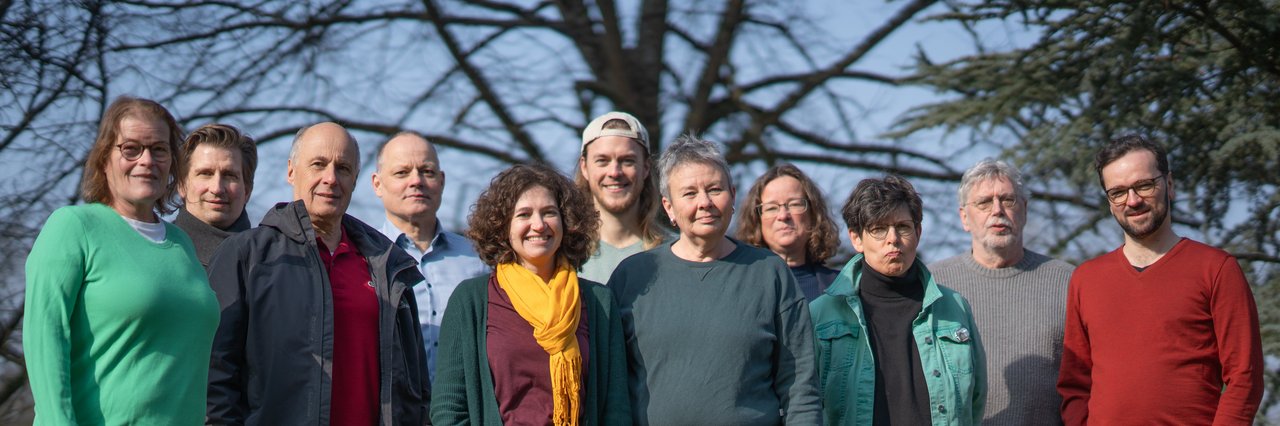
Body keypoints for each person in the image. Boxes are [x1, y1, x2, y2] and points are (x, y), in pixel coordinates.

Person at [206, 122, 429, 425]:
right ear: (291, 171)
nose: (331, 178)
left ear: (355, 180)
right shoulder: (247, 255)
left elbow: (416, 388)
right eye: (318, 165)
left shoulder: (390, 265)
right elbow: (214, 374)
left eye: (343, 168)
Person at [24, 96, 219, 424]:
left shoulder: (182, 245)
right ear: (104, 158)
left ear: (173, 162)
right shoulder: (74, 228)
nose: (147, 160)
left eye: (159, 149)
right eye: (131, 149)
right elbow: (44, 337)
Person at [608, 134, 821, 425]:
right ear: (669, 207)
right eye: (690, 193)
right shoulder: (632, 277)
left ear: (733, 196)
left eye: (714, 189)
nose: (705, 202)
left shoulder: (769, 272)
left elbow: (800, 388)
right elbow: (610, 390)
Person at [1057, 135, 1263, 425]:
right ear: (1108, 200)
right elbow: (1074, 384)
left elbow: (1245, 377)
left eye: (1144, 185)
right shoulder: (1086, 279)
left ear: (1170, 184)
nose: (1132, 201)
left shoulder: (1215, 269)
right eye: (1117, 192)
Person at [431, 164, 629, 425]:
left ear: (566, 222)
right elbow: (448, 409)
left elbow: (616, 410)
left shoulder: (598, 301)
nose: (538, 225)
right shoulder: (471, 300)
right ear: (503, 226)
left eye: (549, 213)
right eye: (524, 214)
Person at [810, 175, 986, 425]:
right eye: (879, 229)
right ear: (856, 238)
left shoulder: (954, 308)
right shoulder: (821, 315)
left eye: (902, 226)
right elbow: (806, 406)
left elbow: (975, 401)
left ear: (918, 232)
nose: (893, 238)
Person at [929, 158, 1074, 425]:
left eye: (1008, 200)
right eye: (984, 203)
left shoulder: (1067, 281)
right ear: (964, 217)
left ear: (1025, 210)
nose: (997, 210)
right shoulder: (933, 286)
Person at [371, 131, 488, 383]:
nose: (416, 181)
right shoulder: (364, 259)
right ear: (377, 184)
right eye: (402, 172)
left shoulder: (479, 260)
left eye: (427, 171)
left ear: (442, 181)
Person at [574, 111, 666, 283]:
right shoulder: (565, 254)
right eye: (602, 160)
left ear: (646, 167)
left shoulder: (676, 251)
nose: (614, 172)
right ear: (584, 167)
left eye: (627, 161)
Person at [735, 164, 840, 301]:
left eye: (794, 204)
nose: (783, 216)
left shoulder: (842, 287)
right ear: (757, 219)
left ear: (813, 214)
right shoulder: (737, 286)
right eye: (771, 208)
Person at [173, 123, 258, 267]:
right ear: (182, 185)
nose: (217, 188)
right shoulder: (155, 252)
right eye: (205, 174)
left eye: (229, 175)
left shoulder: (272, 263)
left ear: (247, 191)